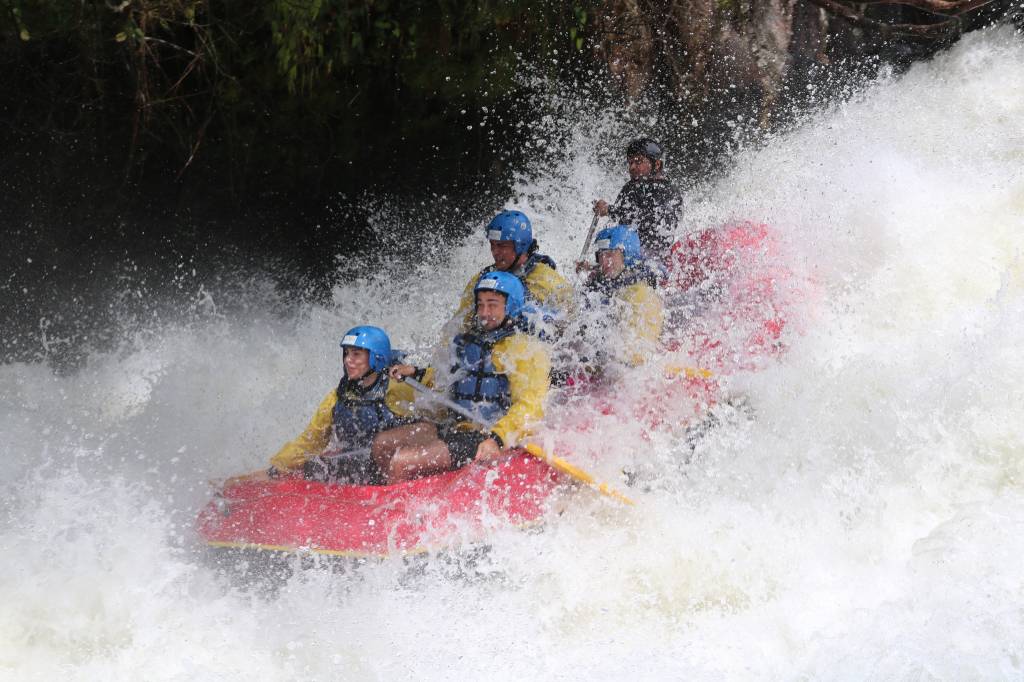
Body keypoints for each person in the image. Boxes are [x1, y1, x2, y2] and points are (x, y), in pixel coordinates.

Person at [383, 271, 551, 484]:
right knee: (384, 444)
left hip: (486, 436)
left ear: (511, 307)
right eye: (480, 305)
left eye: (492, 305)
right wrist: (416, 373)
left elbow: (530, 406)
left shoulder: (525, 351)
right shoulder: (466, 342)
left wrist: (497, 439)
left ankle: (397, 508)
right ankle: (391, 494)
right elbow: (444, 381)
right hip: (455, 428)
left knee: (402, 461)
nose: (484, 312)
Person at [265, 325, 426, 484]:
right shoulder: (337, 397)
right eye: (346, 353)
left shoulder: (398, 388)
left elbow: (437, 390)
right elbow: (312, 441)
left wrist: (415, 371)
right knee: (314, 467)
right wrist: (279, 465)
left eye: (356, 354)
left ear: (376, 358)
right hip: (362, 464)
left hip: (394, 462)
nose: (348, 360)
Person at [449, 210, 574, 331]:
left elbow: (572, 319)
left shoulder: (546, 279)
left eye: (502, 245)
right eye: (492, 244)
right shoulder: (482, 279)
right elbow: (459, 324)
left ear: (521, 246)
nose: (494, 252)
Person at [575, 225, 664, 372]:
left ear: (627, 255)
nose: (604, 262)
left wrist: (595, 368)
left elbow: (633, 358)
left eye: (610, 254)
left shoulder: (640, 295)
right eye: (600, 255)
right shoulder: (609, 278)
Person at [591, 138, 683, 260]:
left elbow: (649, 219)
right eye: (630, 163)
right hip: (631, 255)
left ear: (657, 164)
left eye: (638, 161)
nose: (632, 167)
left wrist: (610, 210)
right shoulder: (630, 188)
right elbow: (621, 222)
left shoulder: (669, 191)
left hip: (657, 258)